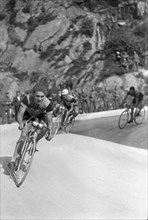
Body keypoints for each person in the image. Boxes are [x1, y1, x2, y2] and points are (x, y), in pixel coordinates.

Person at [8, 83, 53, 171]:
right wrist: (20, 124)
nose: (40, 99)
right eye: (37, 96)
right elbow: (20, 113)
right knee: (23, 135)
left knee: (44, 128)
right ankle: (13, 159)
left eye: (42, 96)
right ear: (33, 94)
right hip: (28, 115)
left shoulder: (47, 103)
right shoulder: (27, 99)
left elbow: (50, 120)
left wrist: (50, 131)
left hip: (41, 116)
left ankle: (34, 143)